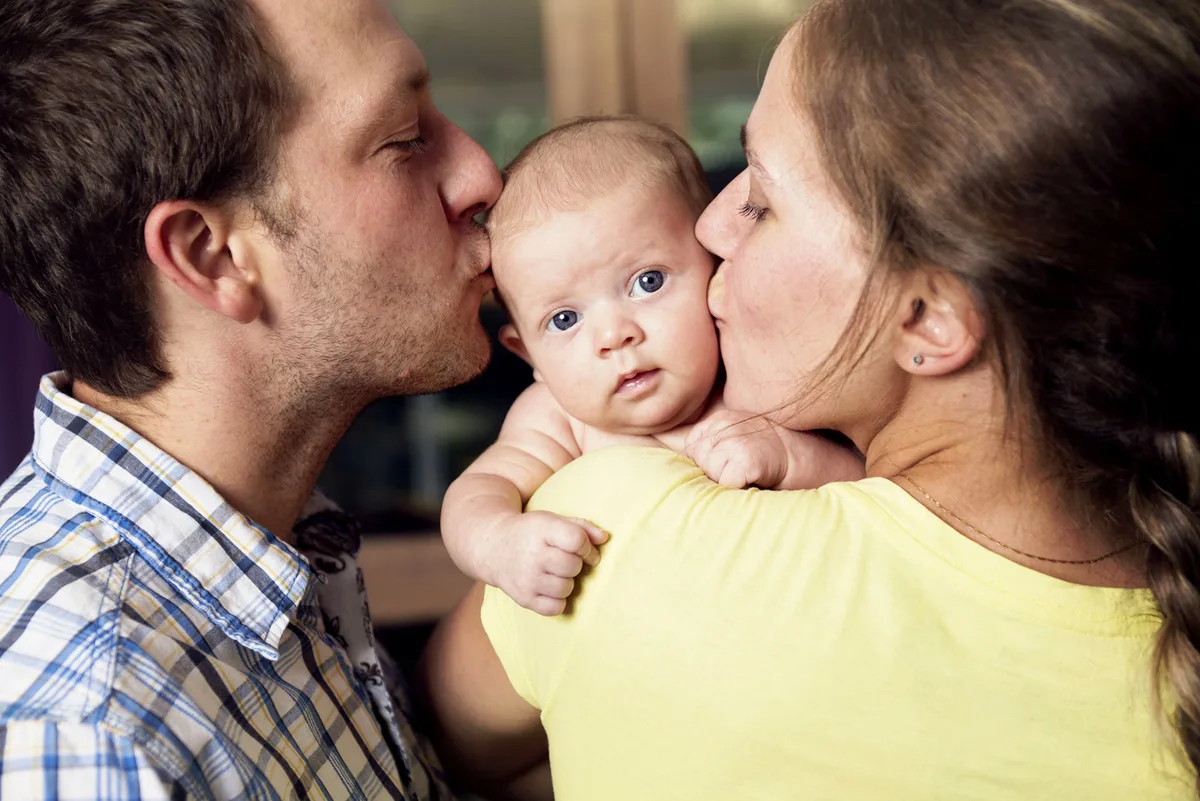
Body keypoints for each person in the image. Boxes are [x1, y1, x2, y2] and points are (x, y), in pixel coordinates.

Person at [416, 0, 1200, 799]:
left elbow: (448, 746)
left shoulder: (623, 526)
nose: (711, 225)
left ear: (927, 319)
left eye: (761, 199)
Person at [0, 0, 506, 798]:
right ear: (213, 255)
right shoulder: (91, 734)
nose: (481, 173)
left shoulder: (277, 544)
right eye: (404, 140)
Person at [441, 116, 865, 616]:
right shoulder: (558, 421)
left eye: (647, 282)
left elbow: (869, 490)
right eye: (564, 319)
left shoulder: (756, 378)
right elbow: (476, 492)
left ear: (715, 268)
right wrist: (500, 543)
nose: (615, 335)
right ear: (528, 356)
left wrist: (795, 460)